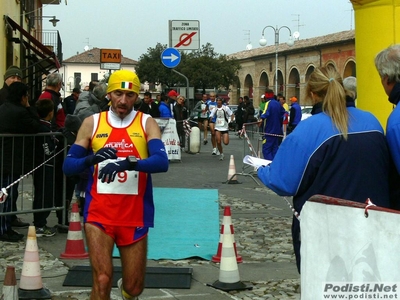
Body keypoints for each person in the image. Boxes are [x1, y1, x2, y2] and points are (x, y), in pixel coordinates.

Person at [257, 66, 391, 273]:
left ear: (312, 94)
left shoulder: (308, 129)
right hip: (374, 222)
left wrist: (261, 169)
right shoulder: (372, 121)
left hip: (325, 229)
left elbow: (283, 181)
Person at [63, 69, 169, 299]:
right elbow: (69, 166)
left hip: (134, 215)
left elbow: (161, 162)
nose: (123, 100)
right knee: (101, 280)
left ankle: (127, 289)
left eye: (130, 95)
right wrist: (92, 158)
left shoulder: (146, 122)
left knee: (133, 288)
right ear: (109, 94)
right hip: (99, 214)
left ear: (137, 97)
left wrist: (128, 164)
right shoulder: (92, 123)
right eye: (118, 93)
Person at [0, 82, 41, 241]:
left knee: (5, 194)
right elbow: (35, 126)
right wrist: (29, 106)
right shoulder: (20, 112)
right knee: (7, 195)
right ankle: (4, 228)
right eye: (26, 96)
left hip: (6, 158)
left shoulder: (3, 108)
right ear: (22, 96)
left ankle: (6, 226)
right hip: (10, 160)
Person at [32, 99, 58, 237]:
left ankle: (40, 222)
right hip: (44, 165)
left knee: (43, 194)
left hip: (44, 164)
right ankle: (40, 224)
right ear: (50, 113)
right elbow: (47, 149)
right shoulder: (43, 128)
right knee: (44, 195)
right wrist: (55, 146)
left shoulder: (46, 126)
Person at [259, 93, 285, 160]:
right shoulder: (278, 104)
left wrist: (261, 119)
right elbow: (284, 112)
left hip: (269, 130)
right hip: (277, 130)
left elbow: (265, 113)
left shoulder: (268, 103)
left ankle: (270, 165)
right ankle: (275, 164)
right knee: (275, 149)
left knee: (266, 149)